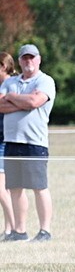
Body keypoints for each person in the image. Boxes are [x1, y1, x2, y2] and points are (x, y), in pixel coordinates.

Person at [0, 44, 57, 242]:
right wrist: (23, 103)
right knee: (15, 188)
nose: (28, 61)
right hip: (12, 142)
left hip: (35, 142)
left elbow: (35, 102)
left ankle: (44, 231)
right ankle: (19, 231)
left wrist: (12, 98)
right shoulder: (11, 82)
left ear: (39, 59)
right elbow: (1, 105)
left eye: (32, 57)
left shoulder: (46, 81)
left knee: (39, 187)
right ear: (20, 61)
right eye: (24, 58)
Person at [0, 52, 17, 240]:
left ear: (3, 66)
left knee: (1, 189)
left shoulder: (12, 85)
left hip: (5, 140)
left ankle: (14, 228)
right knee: (6, 188)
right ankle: (7, 229)